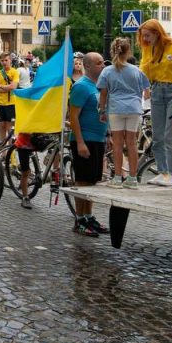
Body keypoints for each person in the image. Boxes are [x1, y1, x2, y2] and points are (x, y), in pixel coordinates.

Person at [139, 19, 172, 187]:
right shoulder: (148, 48)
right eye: (143, 36)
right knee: (157, 136)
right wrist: (145, 85)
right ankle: (163, 172)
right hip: (157, 91)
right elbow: (144, 69)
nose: (145, 39)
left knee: (171, 135)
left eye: (148, 35)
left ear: (157, 32)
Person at [97, 37, 150, 189]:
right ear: (128, 52)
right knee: (132, 144)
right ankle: (133, 179)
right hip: (134, 109)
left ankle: (118, 177)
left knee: (118, 144)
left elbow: (103, 94)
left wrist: (102, 110)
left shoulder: (107, 71)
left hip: (116, 109)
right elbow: (146, 91)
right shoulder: (136, 70)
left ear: (113, 51)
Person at [68, 52, 109, 237]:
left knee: (92, 181)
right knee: (83, 180)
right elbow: (73, 117)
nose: (103, 65)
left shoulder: (99, 86)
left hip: (98, 139)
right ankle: (80, 220)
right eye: (99, 63)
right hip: (85, 139)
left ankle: (89, 216)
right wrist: (80, 142)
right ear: (89, 66)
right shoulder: (81, 87)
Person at [0, 52, 20, 143]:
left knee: (10, 130)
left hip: (10, 104)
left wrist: (1, 86)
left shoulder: (15, 72)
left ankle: (11, 156)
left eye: (6, 60)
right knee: (1, 128)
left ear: (10, 61)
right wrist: (7, 88)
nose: (4, 62)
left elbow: (13, 87)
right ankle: (3, 154)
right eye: (2, 60)